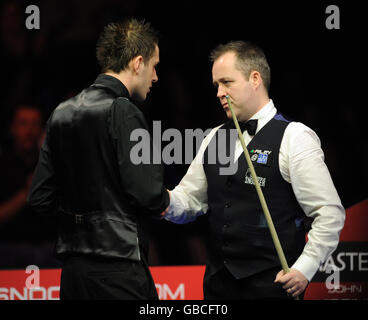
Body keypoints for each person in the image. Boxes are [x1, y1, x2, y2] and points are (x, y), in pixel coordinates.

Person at [164, 41, 345, 299]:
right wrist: (159, 199)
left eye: (227, 82)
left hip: (272, 286)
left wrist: (304, 269)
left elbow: (329, 213)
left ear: (255, 79)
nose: (219, 93)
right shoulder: (214, 138)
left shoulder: (295, 137)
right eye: (216, 85)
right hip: (218, 287)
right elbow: (190, 200)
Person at [27, 18, 169, 300]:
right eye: (154, 66)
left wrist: (79, 226)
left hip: (73, 274)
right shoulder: (124, 111)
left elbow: (40, 198)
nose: (155, 77)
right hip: (119, 270)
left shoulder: (61, 112)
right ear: (138, 63)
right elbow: (148, 193)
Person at [0, 105, 58, 268]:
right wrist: (27, 193)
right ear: (12, 128)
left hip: (48, 248)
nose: (30, 130)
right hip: (8, 248)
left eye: (35, 124)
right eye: (23, 124)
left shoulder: (52, 165)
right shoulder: (3, 166)